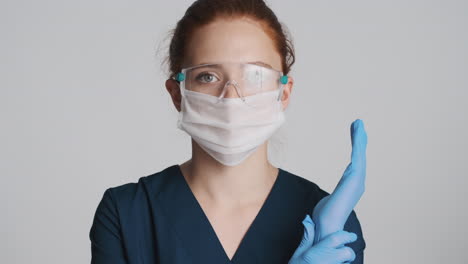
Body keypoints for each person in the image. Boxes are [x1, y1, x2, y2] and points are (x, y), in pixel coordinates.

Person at [89, 0, 367, 263]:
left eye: (255, 75)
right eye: (208, 76)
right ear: (177, 94)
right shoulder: (127, 213)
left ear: (284, 92)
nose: (232, 97)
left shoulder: (329, 226)